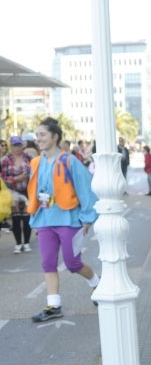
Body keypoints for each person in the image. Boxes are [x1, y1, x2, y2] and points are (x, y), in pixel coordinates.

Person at [27, 117, 100, 322]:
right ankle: (54, 305)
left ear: (55, 136)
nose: (38, 139)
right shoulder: (35, 163)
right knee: (48, 262)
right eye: (37, 135)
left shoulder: (70, 160)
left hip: (68, 218)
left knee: (72, 263)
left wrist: (87, 217)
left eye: (42, 135)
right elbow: (35, 192)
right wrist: (35, 218)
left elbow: (85, 188)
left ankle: (96, 282)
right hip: (44, 219)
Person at [1, 136, 34, 253]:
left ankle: (26, 243)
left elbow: (35, 173)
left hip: (27, 191)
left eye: (19, 145)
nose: (17, 148)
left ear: (22, 145)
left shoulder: (29, 158)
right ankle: (18, 244)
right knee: (16, 218)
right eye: (15, 145)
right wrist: (16, 179)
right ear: (11, 146)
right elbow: (3, 178)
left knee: (26, 218)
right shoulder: (5, 160)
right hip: (12, 192)